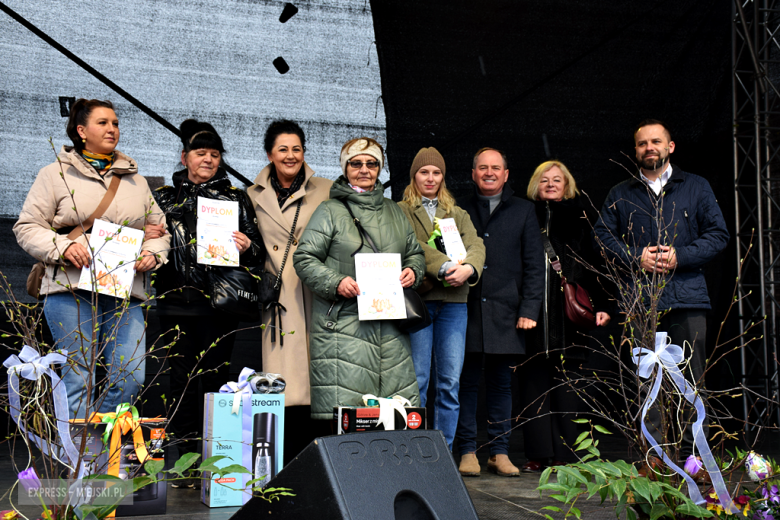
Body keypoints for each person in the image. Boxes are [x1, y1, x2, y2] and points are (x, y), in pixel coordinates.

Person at [14, 98, 170, 419]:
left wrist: (152, 254)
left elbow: (160, 231)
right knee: (77, 378)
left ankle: (100, 448)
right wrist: (62, 247)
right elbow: (27, 227)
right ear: (82, 131)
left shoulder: (135, 181)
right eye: (103, 123)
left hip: (126, 291)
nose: (112, 128)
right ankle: (76, 461)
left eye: (115, 123)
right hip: (69, 289)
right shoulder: (54, 174)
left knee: (130, 376)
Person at [594, 119, 729, 459]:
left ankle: (692, 458)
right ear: (635, 150)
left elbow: (718, 235)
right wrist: (635, 257)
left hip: (687, 300)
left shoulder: (696, 187)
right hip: (640, 302)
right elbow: (600, 237)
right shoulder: (620, 193)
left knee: (690, 382)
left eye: (656, 142)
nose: (648, 147)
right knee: (647, 385)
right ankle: (654, 458)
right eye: (642, 143)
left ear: (670, 147)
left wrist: (679, 256)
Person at [152, 120, 264, 479]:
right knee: (181, 378)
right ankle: (184, 460)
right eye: (201, 153)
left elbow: (258, 250)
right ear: (185, 157)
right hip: (174, 301)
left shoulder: (236, 197)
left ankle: (218, 457)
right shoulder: (164, 197)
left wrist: (248, 247)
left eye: (215, 155)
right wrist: (149, 233)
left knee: (215, 379)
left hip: (218, 304)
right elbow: (149, 242)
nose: (209, 160)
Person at [293, 137, 425, 421]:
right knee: (348, 419)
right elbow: (303, 258)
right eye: (356, 163)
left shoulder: (395, 211)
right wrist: (336, 282)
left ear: (379, 168)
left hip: (390, 328)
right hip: (345, 325)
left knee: (392, 417)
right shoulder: (330, 211)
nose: (364, 169)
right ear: (345, 168)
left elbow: (415, 253)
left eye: (371, 163)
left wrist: (413, 271)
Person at [455, 147, 545, 477]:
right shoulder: (457, 208)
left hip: (508, 313)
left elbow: (535, 266)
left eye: (496, 167)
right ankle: (467, 450)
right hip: (462, 309)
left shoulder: (524, 210)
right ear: (474, 173)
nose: (489, 172)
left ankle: (499, 452)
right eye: (482, 167)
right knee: (465, 384)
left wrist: (529, 309)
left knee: (501, 385)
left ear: (506, 174)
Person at [247, 120, 332, 462]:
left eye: (297, 148)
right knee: (285, 377)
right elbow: (252, 244)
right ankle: (285, 458)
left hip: (317, 289)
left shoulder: (326, 189)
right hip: (278, 294)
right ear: (270, 153)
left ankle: (318, 455)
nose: (290, 155)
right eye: (283, 149)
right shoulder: (251, 195)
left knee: (319, 374)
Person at [521, 160, 611, 472]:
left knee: (568, 388)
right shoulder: (524, 214)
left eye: (557, 179)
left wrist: (602, 304)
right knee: (533, 387)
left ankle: (566, 454)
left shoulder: (581, 217)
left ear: (566, 184)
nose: (550, 183)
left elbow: (598, 265)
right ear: (536, 183)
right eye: (544, 179)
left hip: (569, 318)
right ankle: (538, 454)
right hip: (531, 317)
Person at [398, 147, 485, 450]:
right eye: (424, 172)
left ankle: (444, 452)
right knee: (418, 381)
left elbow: (476, 244)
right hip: (419, 303)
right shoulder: (400, 210)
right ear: (414, 175)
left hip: (454, 305)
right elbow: (411, 245)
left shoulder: (457, 213)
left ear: (443, 178)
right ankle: (413, 450)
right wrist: (447, 266)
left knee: (449, 383)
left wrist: (470, 268)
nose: (431, 177)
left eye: (437, 173)